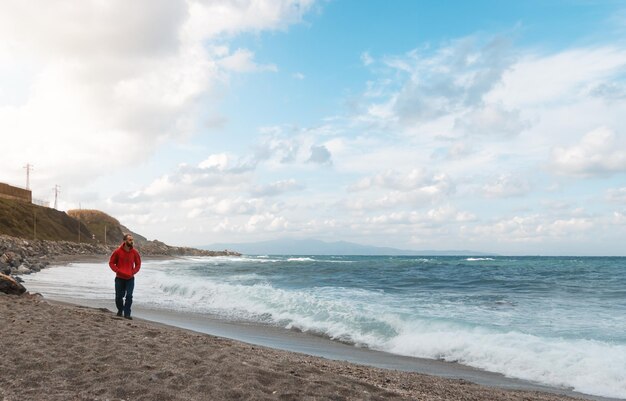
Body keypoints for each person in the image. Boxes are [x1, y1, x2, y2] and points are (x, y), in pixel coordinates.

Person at [108, 233, 141, 320]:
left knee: (129, 296)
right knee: (119, 297)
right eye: (130, 240)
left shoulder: (135, 252)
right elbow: (111, 262)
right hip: (119, 278)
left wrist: (133, 272)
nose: (131, 241)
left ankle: (127, 314)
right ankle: (120, 310)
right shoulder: (117, 251)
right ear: (125, 241)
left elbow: (138, 264)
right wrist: (117, 270)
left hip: (130, 278)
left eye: (132, 240)